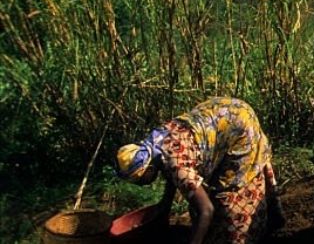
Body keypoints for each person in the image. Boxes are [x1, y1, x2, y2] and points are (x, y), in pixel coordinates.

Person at [115, 96, 284, 244]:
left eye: (141, 179)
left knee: (231, 194)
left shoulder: (175, 162)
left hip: (238, 124)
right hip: (222, 110)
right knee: (206, 196)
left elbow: (207, 210)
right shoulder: (157, 143)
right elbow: (173, 176)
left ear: (148, 168)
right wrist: (163, 208)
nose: (143, 183)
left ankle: (254, 230)